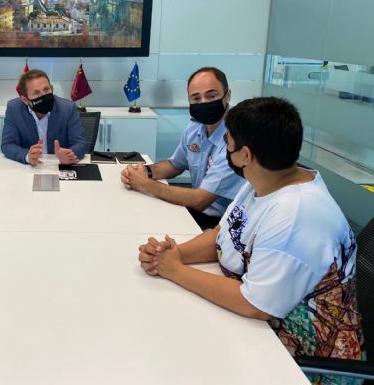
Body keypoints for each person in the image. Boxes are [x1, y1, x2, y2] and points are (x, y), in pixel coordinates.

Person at [138, 97, 365, 379]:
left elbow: (254, 304)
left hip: (294, 362)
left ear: (245, 155)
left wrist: (175, 271)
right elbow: (223, 236)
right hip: (254, 329)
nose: (224, 151)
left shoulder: (296, 216)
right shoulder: (265, 181)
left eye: (228, 145)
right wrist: (171, 255)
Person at [121, 67, 245, 229]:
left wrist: (145, 184)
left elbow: (200, 200)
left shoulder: (235, 140)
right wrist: (145, 171)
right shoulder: (195, 127)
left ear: (227, 95)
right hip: (194, 212)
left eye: (211, 96)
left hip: (222, 225)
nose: (204, 103)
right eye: (196, 98)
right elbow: (175, 165)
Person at [1, 69, 87, 165]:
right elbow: (8, 144)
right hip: (30, 168)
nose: (44, 96)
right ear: (25, 100)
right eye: (37, 93)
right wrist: (27, 156)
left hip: (58, 165)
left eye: (46, 89)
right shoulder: (14, 109)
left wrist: (69, 155)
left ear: (52, 89)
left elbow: (80, 143)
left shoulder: (67, 108)